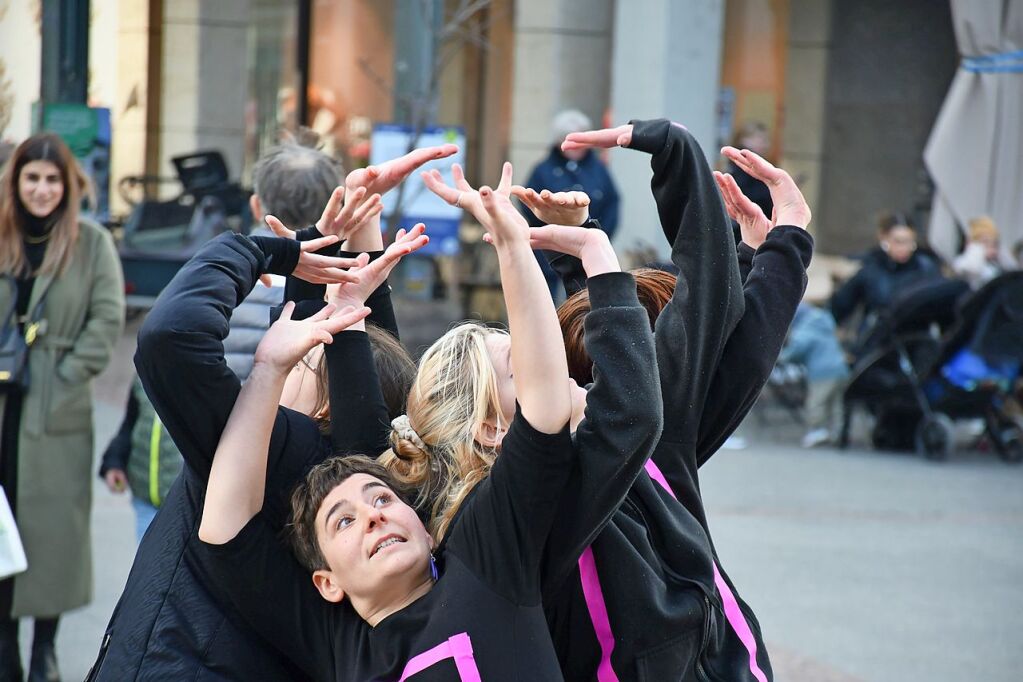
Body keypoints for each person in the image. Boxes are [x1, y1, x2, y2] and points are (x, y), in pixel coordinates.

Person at [196, 163, 607, 680]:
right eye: (343, 522)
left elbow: (543, 411)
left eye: (383, 499)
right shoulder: (332, 641)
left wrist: (511, 248)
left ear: (424, 526)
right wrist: (267, 369)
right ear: (327, 583)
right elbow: (224, 531)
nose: (373, 516)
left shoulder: (485, 561)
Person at [86, 145, 448, 682]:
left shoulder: (267, 447)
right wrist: (332, 250)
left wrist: (266, 252)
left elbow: (170, 335)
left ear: (325, 400)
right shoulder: (365, 475)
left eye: (303, 360)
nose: (294, 353)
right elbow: (364, 367)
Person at [526, 120, 812, 679]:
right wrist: (673, 147)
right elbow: (707, 292)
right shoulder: (650, 425)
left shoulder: (558, 441)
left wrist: (767, 254)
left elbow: (732, 349)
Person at [0, 133, 125, 682]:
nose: (42, 189)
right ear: (16, 182)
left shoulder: (91, 243)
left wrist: (67, 375)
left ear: (68, 185)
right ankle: (5, 645)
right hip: (4, 408)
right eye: (32, 178)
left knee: (49, 534)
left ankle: (44, 648)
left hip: (53, 412)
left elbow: (106, 320)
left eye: (53, 179)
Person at [521, 109, 620, 298]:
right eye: (568, 142)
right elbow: (528, 206)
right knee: (545, 296)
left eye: (579, 143)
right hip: (549, 248)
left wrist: (600, 236)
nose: (575, 148)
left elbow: (612, 203)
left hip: (588, 245)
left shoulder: (599, 170)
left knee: (585, 298)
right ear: (559, 142)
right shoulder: (543, 170)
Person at [830, 211, 942, 337]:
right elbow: (839, 308)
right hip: (877, 338)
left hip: (916, 337)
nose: (904, 248)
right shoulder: (870, 268)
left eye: (909, 242)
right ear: (884, 238)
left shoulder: (926, 267)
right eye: (898, 241)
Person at [779, 302, 849, 447]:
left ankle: (817, 431)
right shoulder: (826, 326)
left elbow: (797, 350)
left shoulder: (806, 329)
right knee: (837, 403)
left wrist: (781, 357)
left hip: (822, 372)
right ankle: (837, 432)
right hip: (841, 369)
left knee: (817, 402)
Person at [952, 215, 1016, 290]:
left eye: (994, 244)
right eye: (985, 243)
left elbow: (1013, 270)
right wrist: (977, 251)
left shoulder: (998, 266)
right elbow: (970, 269)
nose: (991, 249)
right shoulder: (962, 262)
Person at [726, 121, 774, 219]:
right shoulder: (744, 164)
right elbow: (747, 193)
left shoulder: (735, 162)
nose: (766, 145)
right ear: (745, 140)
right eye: (761, 140)